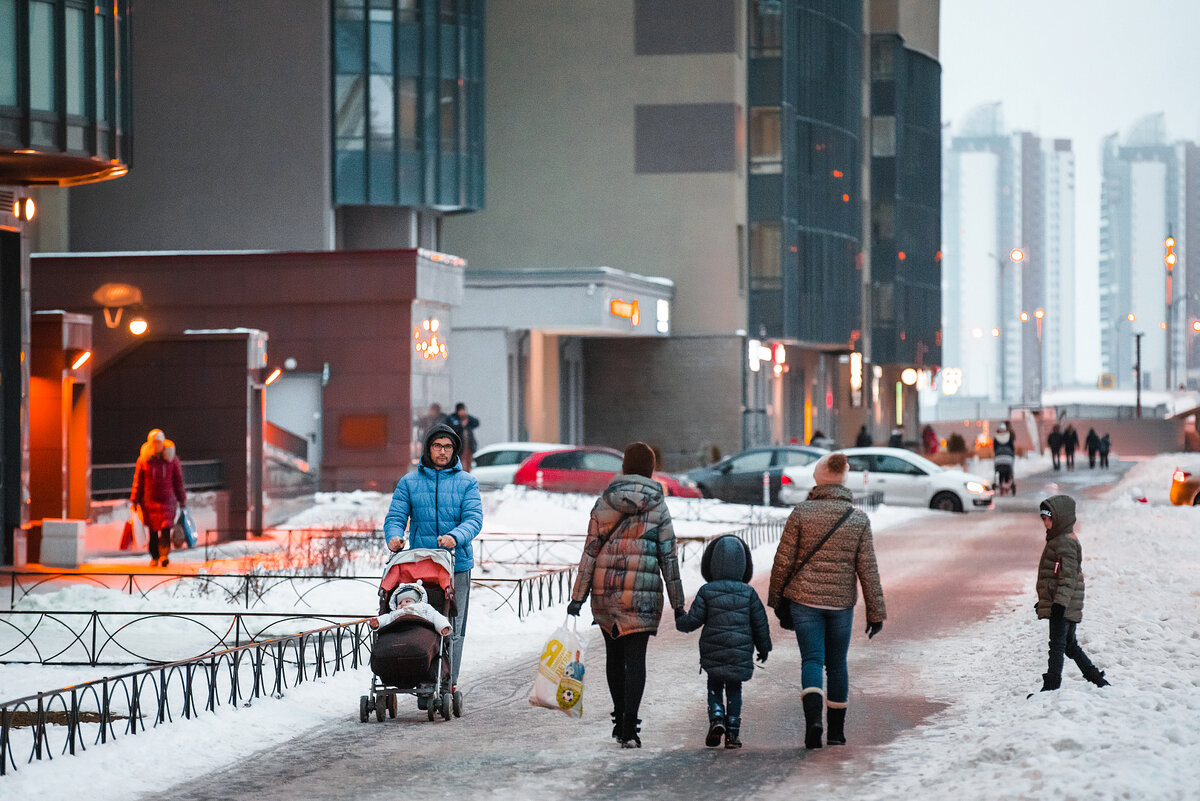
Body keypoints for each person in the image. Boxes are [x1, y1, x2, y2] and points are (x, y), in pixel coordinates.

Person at [567, 442, 685, 749]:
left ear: (624, 467)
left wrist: (578, 597)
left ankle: (619, 719)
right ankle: (630, 726)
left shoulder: (604, 502)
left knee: (614, 657)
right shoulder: (658, 505)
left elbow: (590, 552)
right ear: (650, 469)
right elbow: (668, 557)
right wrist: (679, 603)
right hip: (641, 597)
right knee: (636, 659)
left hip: (605, 593)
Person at [769, 453, 886, 749]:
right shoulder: (858, 519)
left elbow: (782, 562)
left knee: (811, 660)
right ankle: (836, 732)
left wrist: (777, 602)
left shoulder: (801, 513)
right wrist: (876, 612)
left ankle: (814, 723)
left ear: (818, 479)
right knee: (836, 665)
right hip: (840, 604)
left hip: (804, 601)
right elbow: (867, 570)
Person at [383, 424, 482, 696]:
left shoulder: (467, 483)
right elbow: (395, 517)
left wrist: (455, 536)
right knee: (422, 620)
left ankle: (448, 681)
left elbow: (473, 519)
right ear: (428, 448)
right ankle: (422, 671)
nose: (442, 451)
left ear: (455, 450)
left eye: (448, 447)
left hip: (455, 563)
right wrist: (393, 537)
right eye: (437, 446)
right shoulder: (409, 483)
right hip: (421, 567)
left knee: (453, 624)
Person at [675, 534, 772, 749]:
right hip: (740, 652)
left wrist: (679, 617)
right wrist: (764, 648)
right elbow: (760, 624)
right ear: (744, 565)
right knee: (735, 689)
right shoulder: (749, 594)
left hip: (713, 652)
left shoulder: (707, 592)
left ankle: (717, 717)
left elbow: (692, 621)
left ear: (711, 564)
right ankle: (733, 734)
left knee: (715, 685)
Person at [1032, 495, 1110, 692]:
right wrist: (1046, 602)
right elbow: (1054, 577)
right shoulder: (1059, 540)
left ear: (1059, 519)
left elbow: (1068, 577)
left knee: (1057, 646)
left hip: (1064, 604)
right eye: (1043, 519)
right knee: (1069, 645)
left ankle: (1051, 687)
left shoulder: (1065, 543)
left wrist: (1058, 604)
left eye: (1048, 519)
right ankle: (1097, 680)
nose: (1045, 523)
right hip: (1062, 602)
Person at [131, 429, 186, 568]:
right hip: (149, 501)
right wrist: (135, 499)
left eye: (158, 442)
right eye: (154, 442)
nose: (157, 445)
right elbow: (138, 481)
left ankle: (164, 555)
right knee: (153, 531)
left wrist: (181, 499)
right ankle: (155, 556)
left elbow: (178, 481)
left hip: (168, 500)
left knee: (166, 529)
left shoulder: (171, 459)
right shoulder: (144, 460)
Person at [368, 580, 452, 636]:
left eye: (407, 601)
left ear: (417, 601)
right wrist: (378, 622)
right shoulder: (394, 613)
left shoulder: (423, 608)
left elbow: (436, 617)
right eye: (400, 603)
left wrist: (443, 626)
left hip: (420, 632)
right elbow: (386, 618)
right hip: (398, 633)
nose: (403, 604)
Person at [445, 402, 480, 472]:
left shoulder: (468, 417)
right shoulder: (452, 418)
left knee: (468, 462)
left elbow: (476, 423)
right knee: (459, 461)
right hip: (458, 446)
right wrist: (461, 425)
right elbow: (451, 428)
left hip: (469, 446)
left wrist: (467, 418)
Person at [993, 424, 1016, 493]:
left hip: (998, 457)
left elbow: (995, 448)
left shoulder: (996, 437)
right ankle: (1006, 484)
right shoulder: (1009, 436)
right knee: (1008, 471)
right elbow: (1012, 447)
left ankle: (1001, 484)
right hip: (1008, 457)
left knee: (1000, 472)